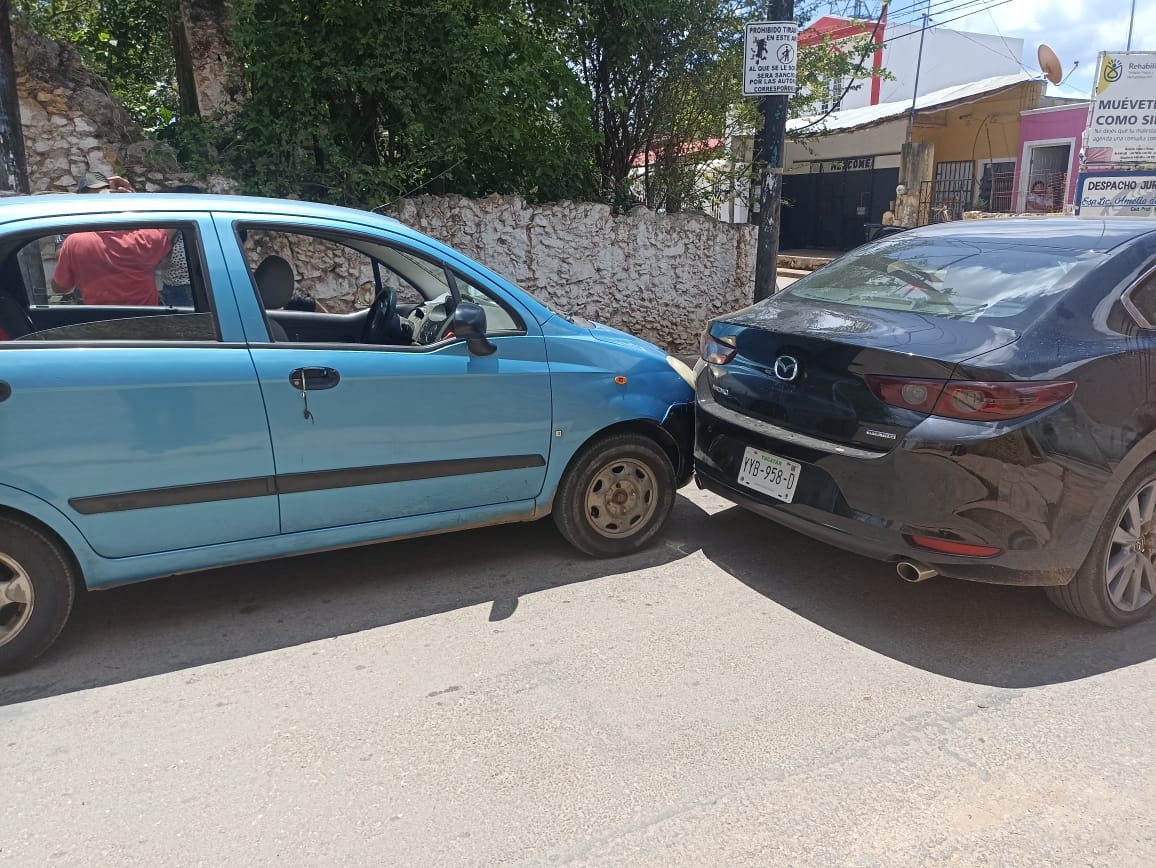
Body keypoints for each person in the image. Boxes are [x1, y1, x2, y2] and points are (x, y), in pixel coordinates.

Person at [160, 185, 201, 307]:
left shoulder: (178, 225)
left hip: (181, 287)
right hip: (178, 285)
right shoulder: (196, 225)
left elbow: (161, 246)